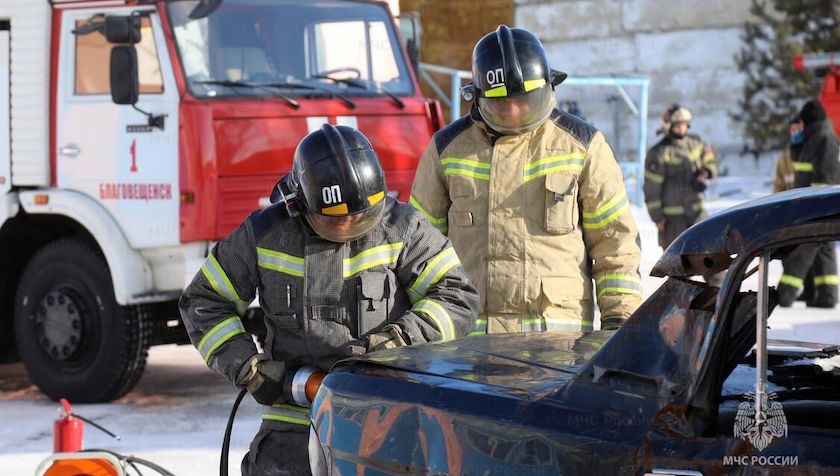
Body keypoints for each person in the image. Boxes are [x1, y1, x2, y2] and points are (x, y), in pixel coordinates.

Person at [179, 124, 479, 475]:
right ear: (299, 203)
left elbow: (456, 294)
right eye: (336, 220)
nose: (351, 223)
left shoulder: (403, 228)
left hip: (384, 414)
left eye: (362, 215)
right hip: (292, 419)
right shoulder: (265, 234)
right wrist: (248, 366)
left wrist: (401, 339)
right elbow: (203, 301)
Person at [409, 25, 642, 334]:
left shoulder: (583, 146)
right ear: (476, 98)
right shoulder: (447, 149)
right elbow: (419, 251)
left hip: (557, 347)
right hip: (466, 352)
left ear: (549, 86)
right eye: (501, 104)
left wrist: (620, 324)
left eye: (526, 100)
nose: (516, 111)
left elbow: (616, 244)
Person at [777, 100, 840, 308]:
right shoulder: (814, 138)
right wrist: (796, 143)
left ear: (809, 121)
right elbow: (801, 165)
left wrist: (816, 207)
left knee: (803, 249)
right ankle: (825, 294)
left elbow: (825, 177)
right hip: (812, 205)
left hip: (817, 206)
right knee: (822, 250)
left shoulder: (825, 139)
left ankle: (783, 295)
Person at [772, 115, 804, 193]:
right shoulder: (783, 160)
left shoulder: (814, 153)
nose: (796, 132)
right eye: (793, 129)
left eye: (798, 129)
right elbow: (778, 188)